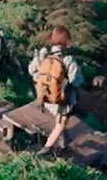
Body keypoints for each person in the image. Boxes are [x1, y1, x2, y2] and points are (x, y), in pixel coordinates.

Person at [29, 26, 83, 156]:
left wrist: (42, 80)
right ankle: (46, 149)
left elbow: (32, 70)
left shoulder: (43, 53)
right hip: (62, 99)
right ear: (66, 41)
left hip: (45, 95)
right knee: (61, 123)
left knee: (57, 117)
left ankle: (62, 140)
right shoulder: (68, 59)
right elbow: (76, 80)